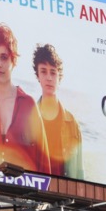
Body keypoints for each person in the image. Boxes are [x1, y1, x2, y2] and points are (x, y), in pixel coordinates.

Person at [0, 24, 51, 174]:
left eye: (4, 57)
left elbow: (44, 162)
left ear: (13, 61)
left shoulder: (28, 105)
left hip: (22, 193)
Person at [33, 43, 83, 178]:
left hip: (62, 196)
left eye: (53, 72)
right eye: (43, 71)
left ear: (59, 77)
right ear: (38, 75)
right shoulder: (28, 118)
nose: (49, 77)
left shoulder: (72, 124)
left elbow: (79, 173)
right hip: (34, 195)